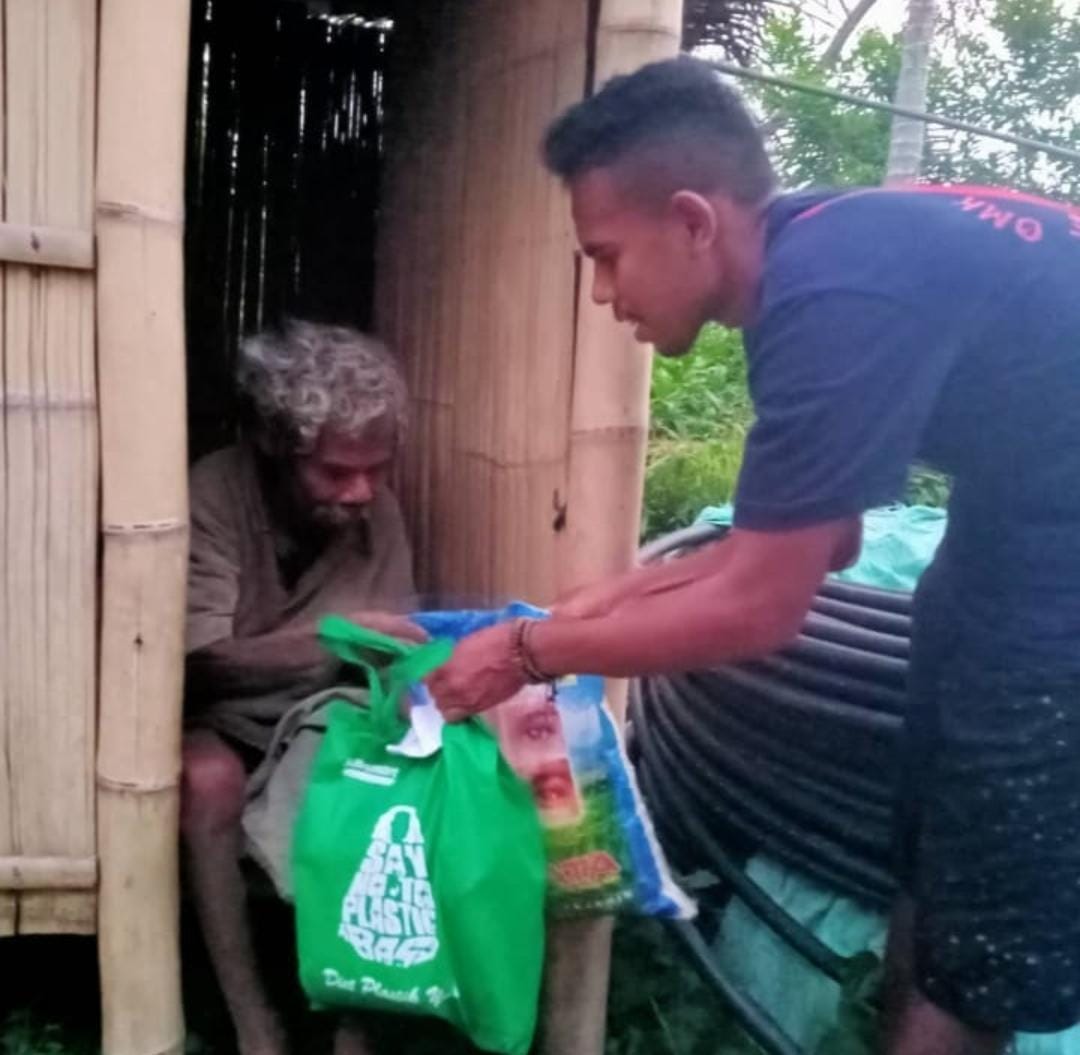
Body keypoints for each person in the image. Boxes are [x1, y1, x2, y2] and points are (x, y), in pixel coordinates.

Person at [427, 55, 1080, 1055]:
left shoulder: (835, 293)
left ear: (693, 220)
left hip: (1055, 550)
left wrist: (529, 648)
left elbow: (760, 607)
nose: (603, 294)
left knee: (988, 903)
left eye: (605, 255)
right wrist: (609, 604)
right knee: (934, 841)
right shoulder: (815, 268)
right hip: (1023, 511)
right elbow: (821, 545)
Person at [182, 320, 422, 1055]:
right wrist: (338, 634)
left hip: (324, 719)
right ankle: (256, 1024)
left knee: (374, 771)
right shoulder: (213, 495)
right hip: (218, 715)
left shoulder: (377, 512)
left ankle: (355, 1024)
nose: (361, 491)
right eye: (336, 472)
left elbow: (392, 661)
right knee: (207, 780)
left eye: (376, 469)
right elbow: (203, 662)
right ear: (277, 452)